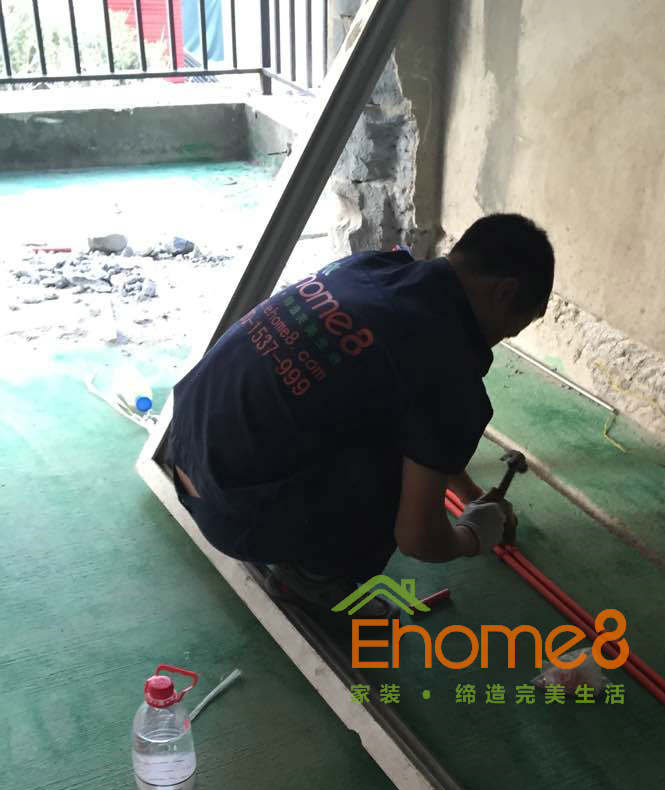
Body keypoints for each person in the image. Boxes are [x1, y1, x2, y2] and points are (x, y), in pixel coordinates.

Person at [166, 212, 554, 623]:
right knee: (395, 475)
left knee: (376, 410)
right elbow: (419, 538)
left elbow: (424, 421)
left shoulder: (375, 266)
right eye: (513, 328)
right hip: (230, 514)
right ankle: (311, 578)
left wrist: (471, 494)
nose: (503, 338)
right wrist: (473, 536)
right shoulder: (450, 367)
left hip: (183, 447)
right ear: (505, 293)